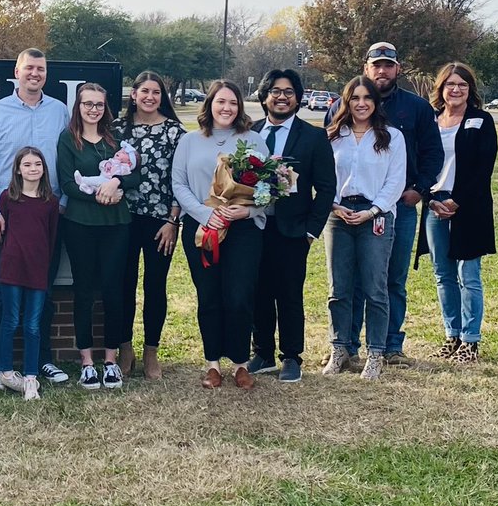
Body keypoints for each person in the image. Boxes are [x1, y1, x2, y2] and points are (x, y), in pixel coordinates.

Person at [327, 42, 442, 368]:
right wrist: (334, 205)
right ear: (366, 68)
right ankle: (345, 347)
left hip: (396, 207)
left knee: (389, 280)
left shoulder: (416, 108)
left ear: (397, 68)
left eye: (388, 65)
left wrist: (419, 189)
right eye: (376, 65)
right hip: (345, 211)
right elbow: (326, 166)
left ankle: (389, 347)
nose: (382, 70)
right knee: (348, 283)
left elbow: (433, 153)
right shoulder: (337, 114)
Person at [0, 48, 71, 389]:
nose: (35, 74)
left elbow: (70, 162)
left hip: (46, 217)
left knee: (44, 291)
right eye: (29, 68)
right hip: (5, 217)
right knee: (1, 293)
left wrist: (64, 202)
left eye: (41, 69)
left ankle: (41, 360)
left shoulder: (60, 112)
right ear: (17, 71)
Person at [172, 79, 269, 390]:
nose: (226, 108)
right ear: (209, 105)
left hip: (243, 231)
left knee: (239, 297)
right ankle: (212, 363)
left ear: (239, 107)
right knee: (209, 297)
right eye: (220, 102)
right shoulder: (189, 141)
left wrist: (249, 211)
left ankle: (240, 363)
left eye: (232, 102)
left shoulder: (254, 139)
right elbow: (179, 185)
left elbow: (269, 189)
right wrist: (207, 215)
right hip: (204, 229)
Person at [246, 69, 336, 383]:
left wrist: (312, 230)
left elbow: (326, 188)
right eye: (275, 90)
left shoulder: (313, 136)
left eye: (288, 91)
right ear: (264, 95)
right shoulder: (250, 133)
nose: (281, 96)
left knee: (288, 294)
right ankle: (263, 353)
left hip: (293, 230)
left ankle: (292, 356)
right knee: (258, 290)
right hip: (253, 227)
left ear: (298, 98)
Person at [321, 77, 407, 381]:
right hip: (338, 216)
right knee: (339, 289)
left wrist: (371, 211)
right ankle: (340, 348)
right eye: (354, 97)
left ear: (375, 102)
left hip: (377, 216)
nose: (361, 103)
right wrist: (334, 206)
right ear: (346, 101)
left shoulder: (392, 138)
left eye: (367, 97)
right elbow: (323, 179)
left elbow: (395, 182)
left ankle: (375, 353)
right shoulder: (333, 136)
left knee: (375, 288)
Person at [57, 82, 140, 390]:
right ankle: (87, 362)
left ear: (106, 107)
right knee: (84, 291)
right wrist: (100, 196)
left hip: (117, 225)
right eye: (87, 103)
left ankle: (110, 360)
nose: (93, 109)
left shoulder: (116, 138)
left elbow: (136, 173)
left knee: (113, 291)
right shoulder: (68, 140)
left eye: (99, 104)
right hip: (80, 225)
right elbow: (67, 184)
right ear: (77, 107)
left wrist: (116, 182)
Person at [417, 62, 497, 364]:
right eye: (450, 84)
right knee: (443, 275)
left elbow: (482, 169)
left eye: (462, 84)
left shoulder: (481, 120)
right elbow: (421, 164)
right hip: (435, 205)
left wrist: (457, 201)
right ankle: (452, 335)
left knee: (469, 274)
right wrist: (431, 199)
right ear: (441, 88)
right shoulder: (432, 121)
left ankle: (470, 341)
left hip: (468, 207)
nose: (456, 89)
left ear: (470, 89)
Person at [112, 71, 185, 380]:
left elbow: (180, 180)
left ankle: (152, 351)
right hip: (123, 219)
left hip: (161, 221)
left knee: (155, 286)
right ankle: (125, 348)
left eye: (156, 92)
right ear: (135, 94)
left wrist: (173, 220)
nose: (150, 97)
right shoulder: (117, 129)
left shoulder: (175, 132)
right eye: (144, 91)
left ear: (162, 97)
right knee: (124, 285)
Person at [0, 147, 60, 402]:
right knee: (10, 321)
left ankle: (31, 377)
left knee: (33, 325)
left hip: (38, 271)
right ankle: (6, 372)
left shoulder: (50, 203)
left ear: (44, 169)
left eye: (37, 164)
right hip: (12, 269)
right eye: (27, 165)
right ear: (18, 169)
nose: (33, 169)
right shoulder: (8, 199)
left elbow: (52, 238)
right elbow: (2, 236)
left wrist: (43, 264)